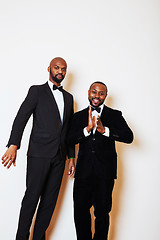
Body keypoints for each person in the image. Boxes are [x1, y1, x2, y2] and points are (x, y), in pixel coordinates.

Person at [1, 57, 75, 240]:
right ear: (49, 69)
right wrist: (13, 145)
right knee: (31, 199)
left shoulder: (69, 97)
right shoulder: (36, 91)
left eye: (63, 69)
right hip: (38, 155)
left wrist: (71, 156)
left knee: (49, 203)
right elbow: (21, 117)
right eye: (57, 67)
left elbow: (69, 129)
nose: (60, 71)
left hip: (59, 157)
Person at [68, 81, 133, 240]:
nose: (97, 96)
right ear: (89, 92)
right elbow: (68, 139)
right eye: (94, 92)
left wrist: (105, 131)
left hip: (105, 173)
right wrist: (87, 129)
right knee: (80, 213)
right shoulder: (78, 116)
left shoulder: (114, 115)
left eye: (101, 93)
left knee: (102, 214)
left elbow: (129, 137)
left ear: (105, 96)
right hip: (83, 172)